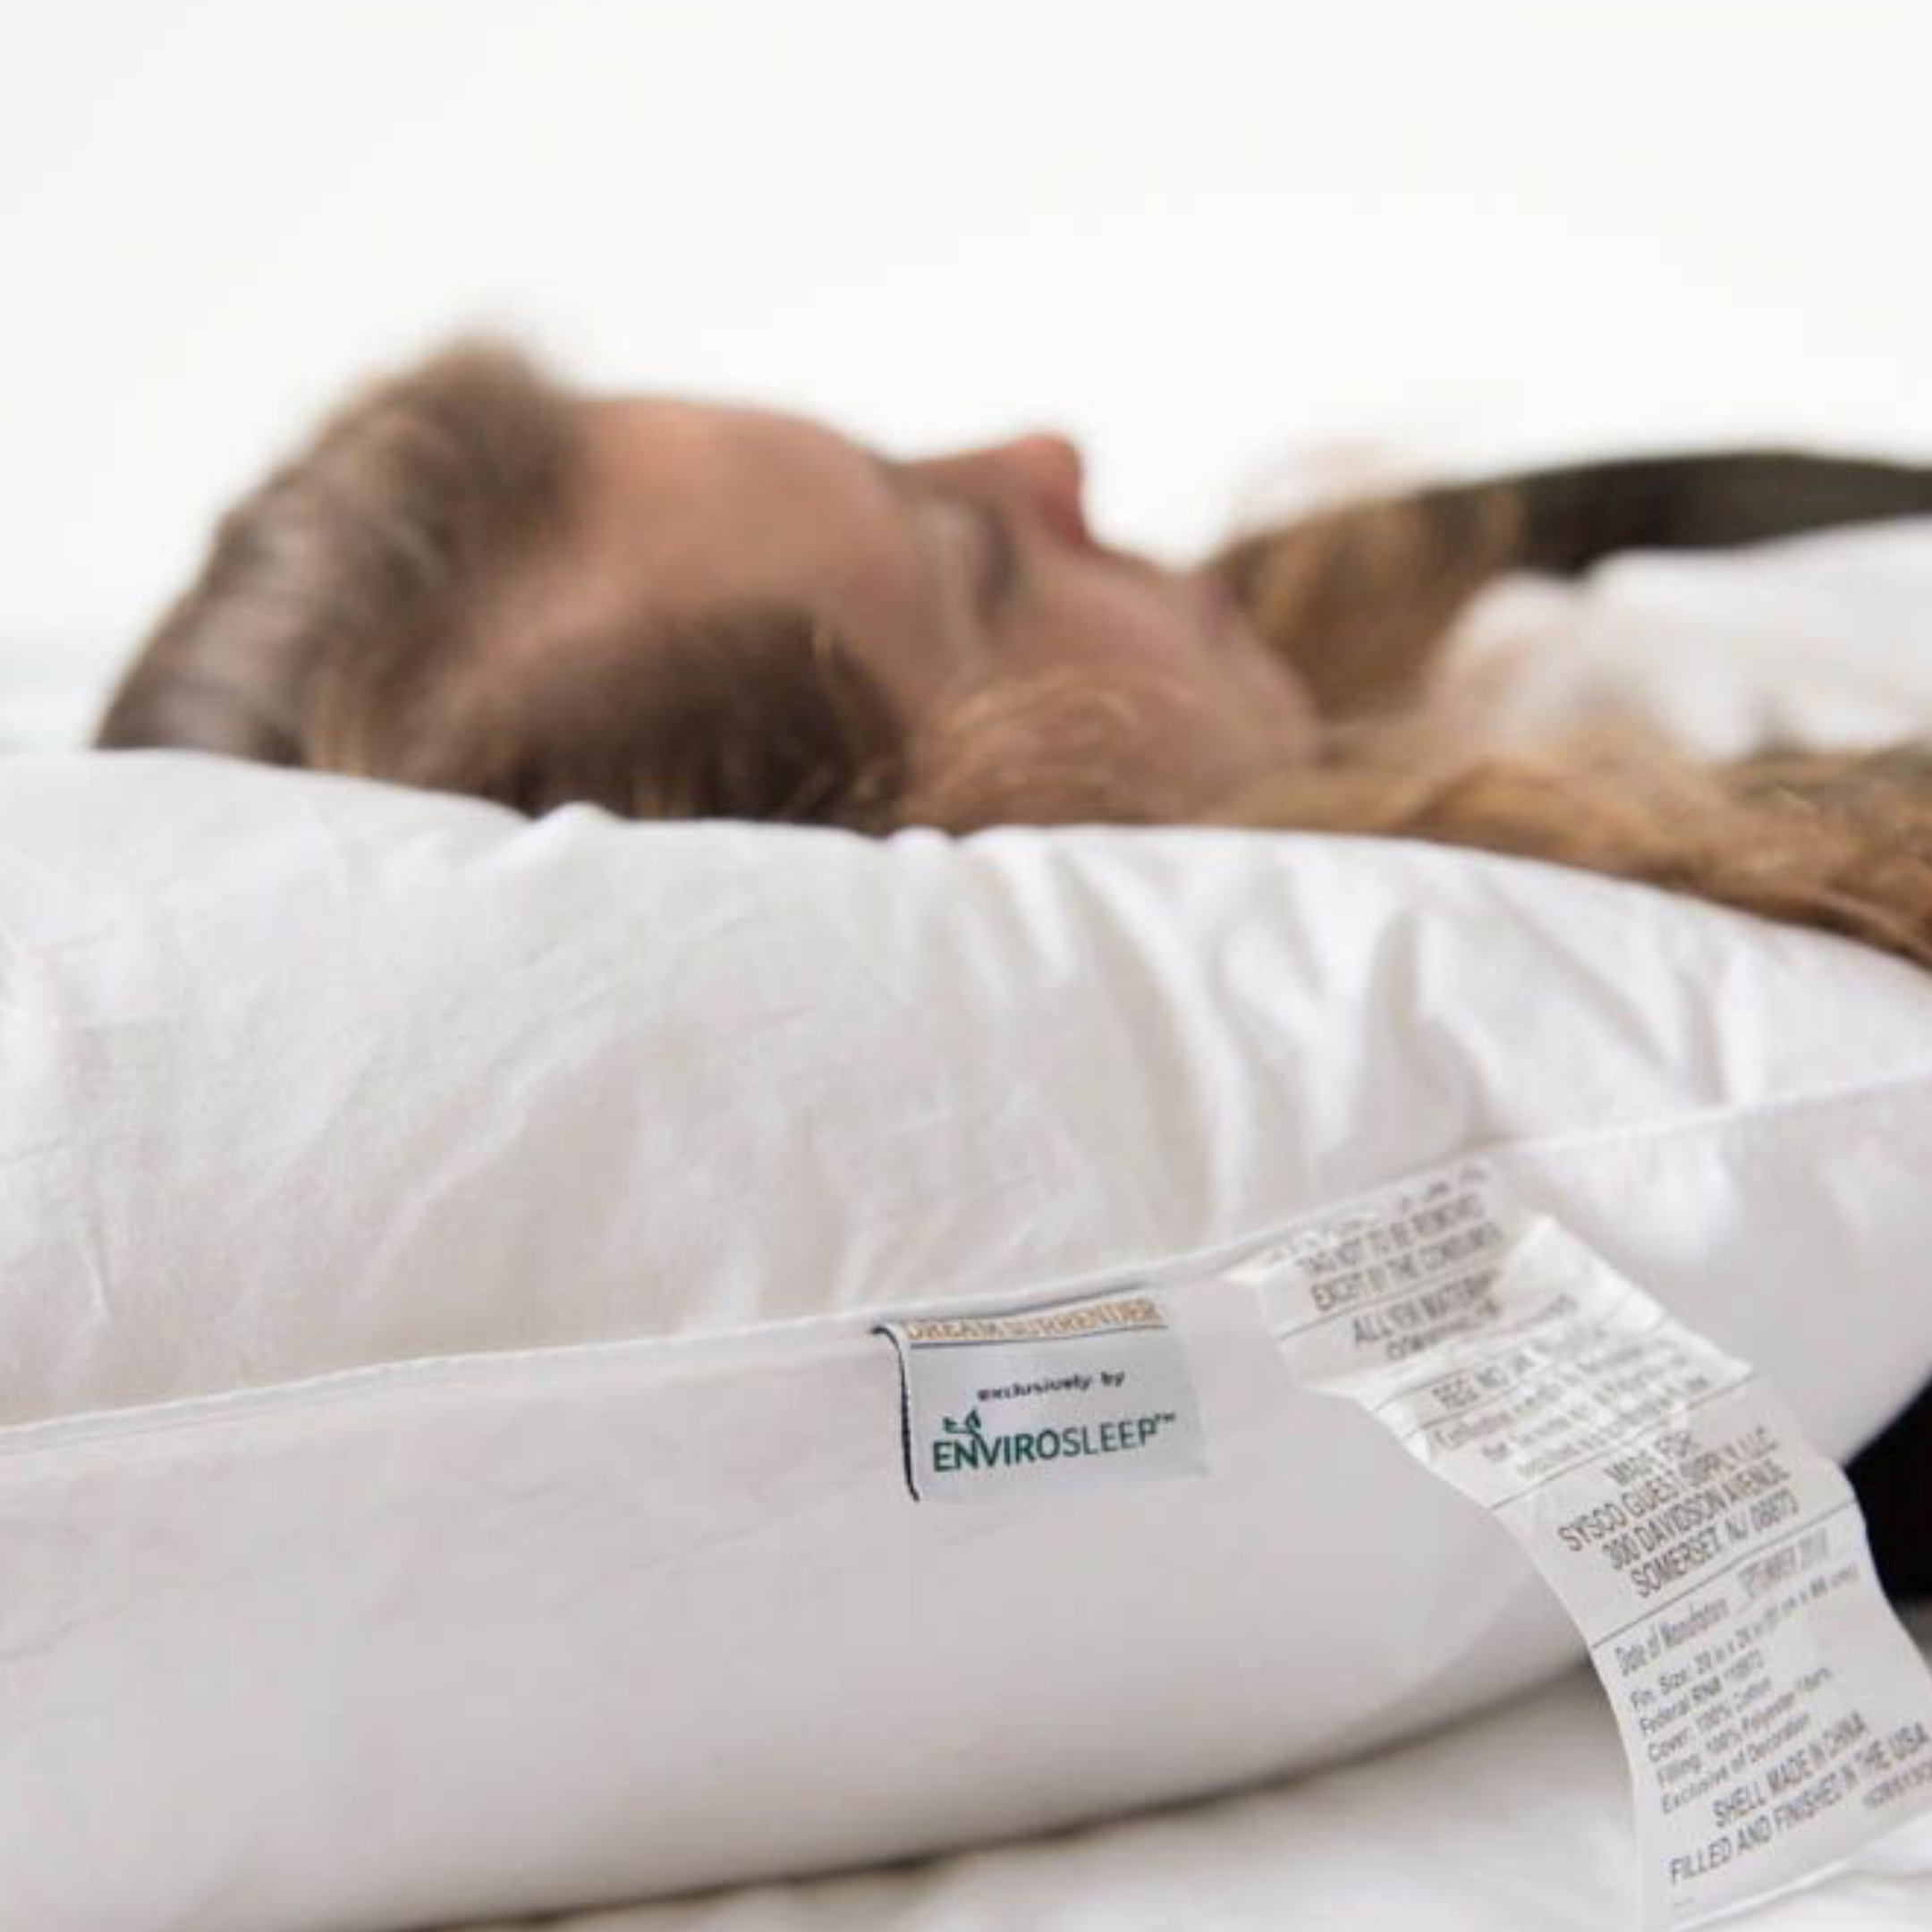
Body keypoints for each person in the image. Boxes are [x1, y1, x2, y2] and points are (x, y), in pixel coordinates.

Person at [95, 336, 1932, 1590]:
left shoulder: (1375, 593)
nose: (1047, 456)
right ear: (951, 831)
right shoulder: (1690, 1115)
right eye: (970, 557)